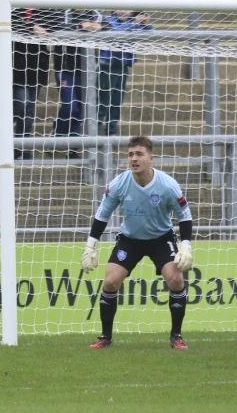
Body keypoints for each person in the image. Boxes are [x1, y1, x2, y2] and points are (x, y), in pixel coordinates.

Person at [81, 136, 194, 350]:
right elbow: (102, 215)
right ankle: (105, 337)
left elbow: (185, 215)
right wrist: (90, 245)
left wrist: (185, 245)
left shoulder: (168, 185)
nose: (134, 159)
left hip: (161, 239)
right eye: (130, 154)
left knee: (176, 279)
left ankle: (176, 336)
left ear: (151, 159)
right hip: (130, 240)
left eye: (139, 154)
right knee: (110, 281)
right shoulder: (119, 184)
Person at [2, 0, 56, 158]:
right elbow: (7, 22)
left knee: (30, 107)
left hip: (37, 63)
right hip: (14, 63)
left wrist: (41, 28)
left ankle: (22, 147)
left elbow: (54, 21)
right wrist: (32, 27)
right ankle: (0, 130)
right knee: (21, 103)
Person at [53, 0, 102, 145]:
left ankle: (73, 142)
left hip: (86, 70)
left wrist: (99, 27)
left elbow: (108, 25)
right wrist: (80, 27)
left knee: (81, 108)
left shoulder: (96, 14)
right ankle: (58, 131)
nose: (79, 3)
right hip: (65, 68)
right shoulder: (64, 13)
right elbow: (57, 26)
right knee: (70, 107)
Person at [97, 9, 153, 136]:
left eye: (127, 9)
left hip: (122, 69)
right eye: (120, 8)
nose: (123, 12)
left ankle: (112, 132)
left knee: (117, 103)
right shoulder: (108, 21)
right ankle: (96, 133)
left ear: (133, 12)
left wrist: (146, 24)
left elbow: (151, 34)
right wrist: (134, 24)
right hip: (106, 68)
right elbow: (115, 32)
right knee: (102, 103)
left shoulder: (134, 23)